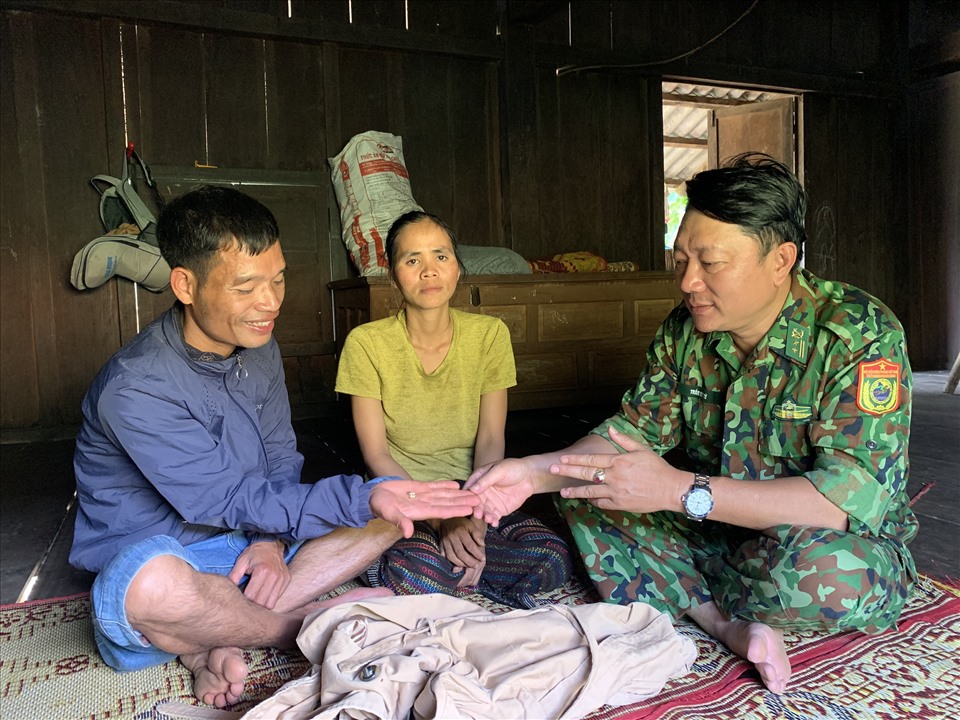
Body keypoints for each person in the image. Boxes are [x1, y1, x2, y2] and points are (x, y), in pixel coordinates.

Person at [467, 154, 917, 694]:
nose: (687, 281)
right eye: (681, 259)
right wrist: (533, 473)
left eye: (711, 262)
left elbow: (839, 503)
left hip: (806, 537)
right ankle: (722, 622)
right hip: (712, 529)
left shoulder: (858, 334)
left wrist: (679, 491)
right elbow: (630, 432)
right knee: (590, 487)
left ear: (781, 260)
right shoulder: (686, 330)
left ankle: (685, 586)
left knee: (830, 575)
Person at [70, 186, 479, 708]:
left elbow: (280, 455)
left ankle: (203, 640)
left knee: (387, 512)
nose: (270, 302)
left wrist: (267, 541)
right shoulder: (136, 387)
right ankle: (295, 626)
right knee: (146, 587)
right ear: (185, 284)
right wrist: (347, 502)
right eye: (246, 287)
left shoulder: (258, 345)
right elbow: (221, 498)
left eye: (278, 278)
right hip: (169, 555)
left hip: (244, 548)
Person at [335, 210, 572, 608]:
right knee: (418, 572)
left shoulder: (489, 335)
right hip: (400, 496)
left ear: (458, 268)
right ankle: (440, 569)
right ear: (393, 276)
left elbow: (491, 438)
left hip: (472, 493)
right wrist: (442, 520)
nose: (429, 271)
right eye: (413, 260)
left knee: (552, 557)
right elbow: (377, 455)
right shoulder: (366, 344)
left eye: (440, 256)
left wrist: (475, 517)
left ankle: (453, 571)